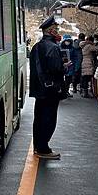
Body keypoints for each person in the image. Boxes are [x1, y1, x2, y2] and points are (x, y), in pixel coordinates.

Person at [29, 15, 67, 160]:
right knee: (49, 118)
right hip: (51, 89)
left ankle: (37, 146)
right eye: (56, 29)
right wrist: (64, 67)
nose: (58, 31)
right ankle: (44, 148)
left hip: (39, 89)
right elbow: (56, 68)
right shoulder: (53, 48)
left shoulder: (36, 47)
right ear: (51, 31)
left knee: (38, 117)